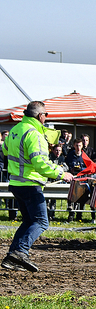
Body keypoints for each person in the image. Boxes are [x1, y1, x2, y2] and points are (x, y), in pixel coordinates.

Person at [1, 101, 73, 272]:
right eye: (46, 115)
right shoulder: (34, 134)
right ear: (41, 116)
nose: (46, 118)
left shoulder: (15, 130)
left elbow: (5, 150)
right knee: (41, 221)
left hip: (16, 183)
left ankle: (12, 256)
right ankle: (20, 252)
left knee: (29, 221)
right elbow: (40, 164)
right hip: (30, 184)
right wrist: (62, 174)